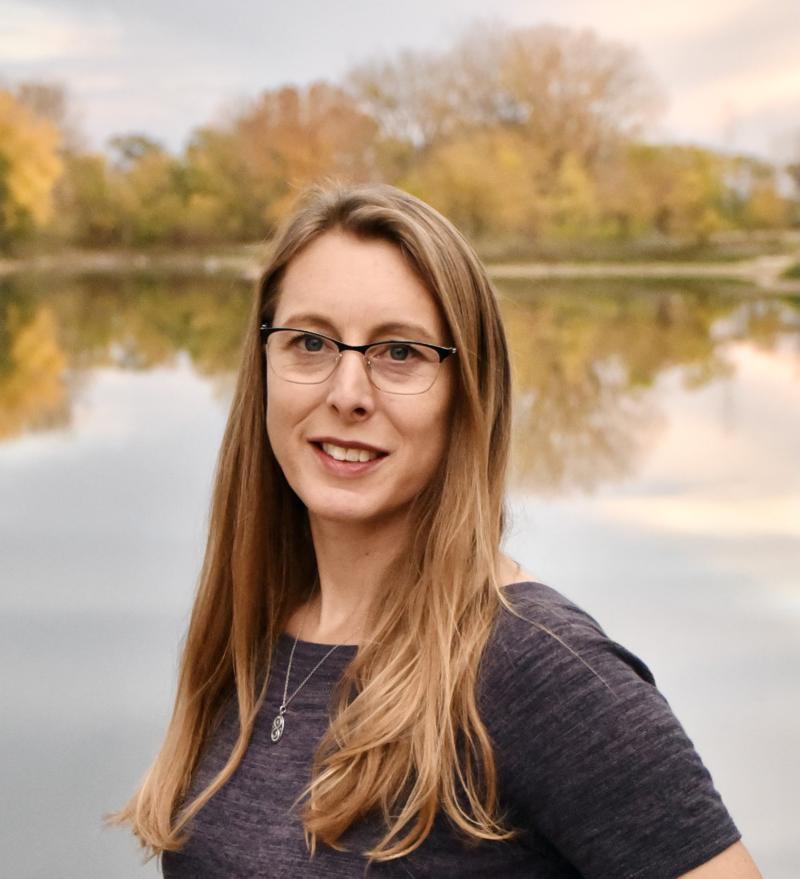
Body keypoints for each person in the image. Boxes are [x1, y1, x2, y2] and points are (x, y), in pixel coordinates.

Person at [112, 182, 763, 878]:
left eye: (400, 353)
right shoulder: (254, 632)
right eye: (309, 341)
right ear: (264, 365)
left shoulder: (538, 670)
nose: (348, 393)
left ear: (466, 392)